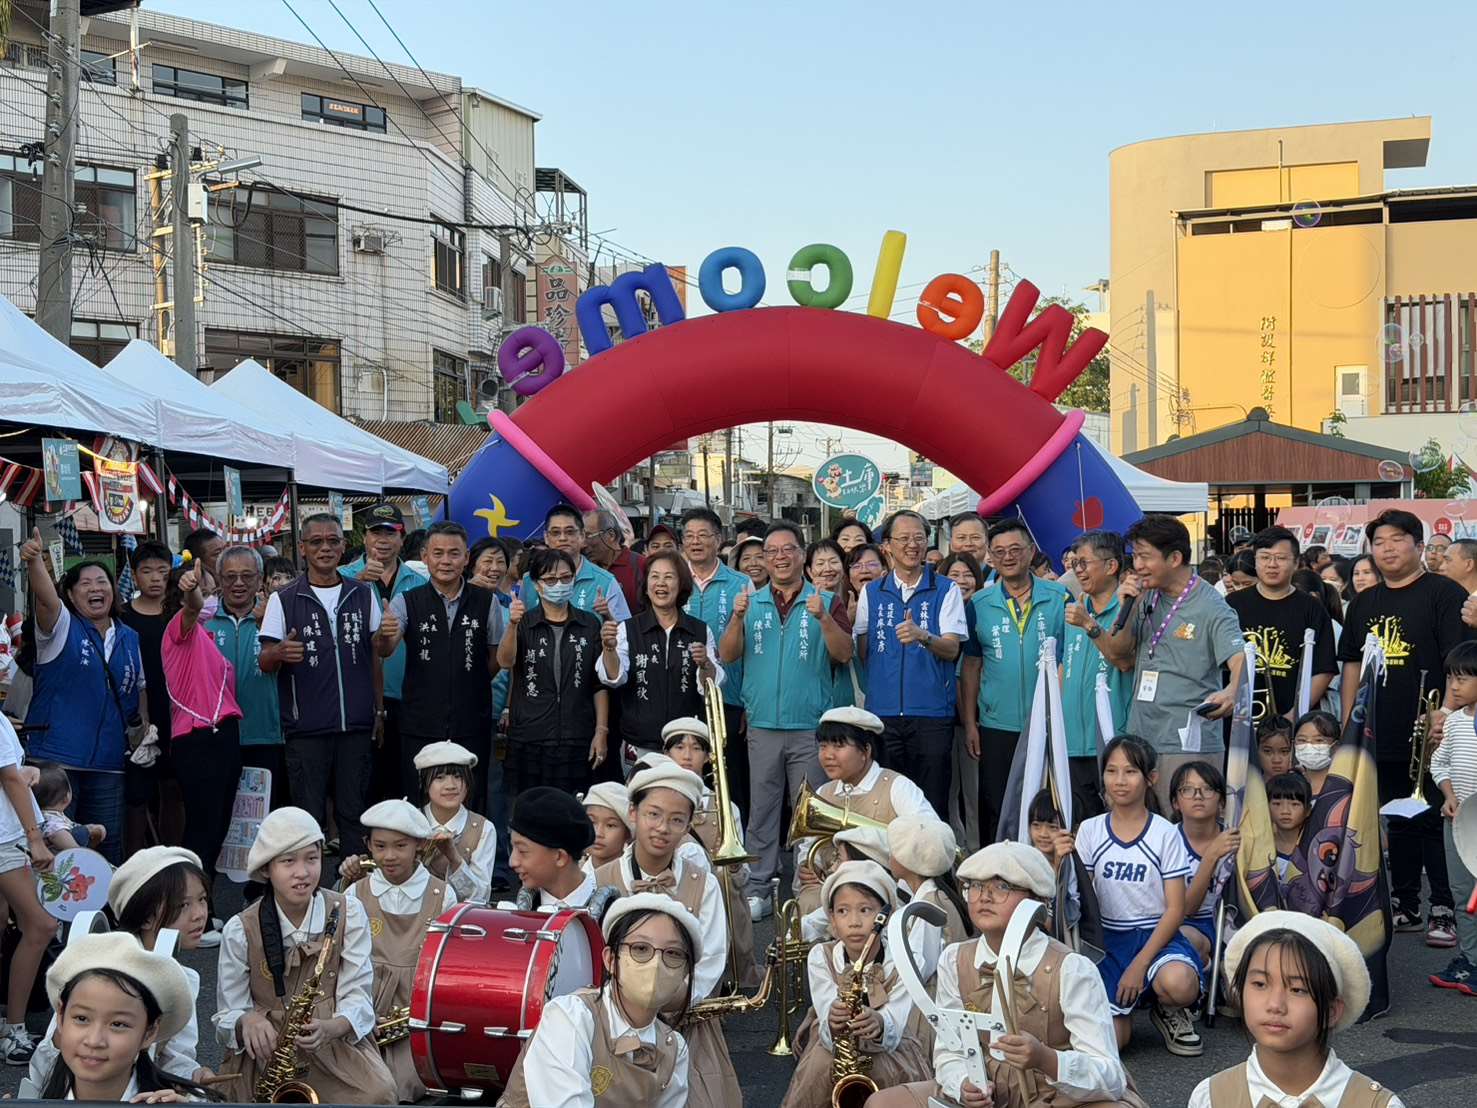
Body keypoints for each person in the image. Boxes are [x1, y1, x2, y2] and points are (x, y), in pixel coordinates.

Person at [873, 841, 1145, 1108]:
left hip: (1056, 1095)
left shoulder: (1070, 967)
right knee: (882, 1102)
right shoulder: (956, 959)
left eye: (1002, 886)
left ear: (1038, 900)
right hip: (990, 1089)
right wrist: (964, 1084)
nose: (985, 896)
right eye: (976, 885)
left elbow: (1110, 1076)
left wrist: (1046, 1058)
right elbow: (950, 1048)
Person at [1338, 508, 1468, 946]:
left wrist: (1444, 713)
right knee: (1397, 818)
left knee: (1433, 818)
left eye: (1397, 539)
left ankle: (1444, 907)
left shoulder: (1443, 593)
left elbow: (1457, 659)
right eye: (1379, 542)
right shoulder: (1364, 601)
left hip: (1430, 731)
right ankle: (1407, 903)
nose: (1387, 549)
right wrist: (1347, 720)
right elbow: (1351, 662)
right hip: (1377, 728)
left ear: (1418, 543)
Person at [213, 806, 395, 1104]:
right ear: (266, 870)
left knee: (380, 1095)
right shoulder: (240, 928)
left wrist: (333, 1027)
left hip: (332, 1043)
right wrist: (245, 1020)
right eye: (288, 861)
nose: (303, 872)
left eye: (312, 858)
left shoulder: (349, 912)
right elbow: (226, 1013)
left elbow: (359, 993)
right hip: (266, 1054)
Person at [719, 521, 854, 921]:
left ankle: (807, 888)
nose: (779, 557)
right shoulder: (750, 601)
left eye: (788, 550)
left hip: (809, 725)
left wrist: (824, 619)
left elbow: (845, 654)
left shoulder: (826, 600)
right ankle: (758, 885)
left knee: (808, 810)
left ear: (802, 556)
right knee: (762, 807)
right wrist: (736, 618)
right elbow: (728, 655)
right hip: (762, 722)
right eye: (771, 552)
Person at [593, 760, 739, 1108]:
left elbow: (711, 961)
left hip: (683, 1021)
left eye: (677, 820)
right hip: (608, 1022)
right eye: (653, 815)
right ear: (633, 812)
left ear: (689, 825)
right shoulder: (598, 878)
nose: (663, 828)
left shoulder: (701, 884)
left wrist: (670, 999)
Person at [25, 845, 214, 1096]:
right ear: (146, 916)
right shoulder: (97, 972)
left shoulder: (180, 978)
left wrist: (192, 1077)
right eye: (182, 906)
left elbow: (175, 1055)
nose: (200, 915)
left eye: (202, 900)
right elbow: (53, 1054)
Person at [259, 514, 393, 861]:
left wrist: (378, 710)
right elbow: (264, 661)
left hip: (356, 727)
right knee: (307, 817)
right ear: (302, 549)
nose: (325, 547)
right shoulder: (285, 599)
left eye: (332, 540)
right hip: (306, 730)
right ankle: (308, 895)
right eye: (316, 541)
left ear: (344, 546)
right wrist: (278, 652)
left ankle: (352, 896)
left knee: (354, 814)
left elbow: (378, 653)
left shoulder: (363, 594)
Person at [1092, 514, 1246, 813]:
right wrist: (1128, 604)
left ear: (1174, 558)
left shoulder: (1211, 606)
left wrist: (1231, 691)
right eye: (1135, 556)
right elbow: (1120, 654)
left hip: (1186, 742)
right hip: (1140, 737)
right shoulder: (1145, 595)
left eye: (1145, 557)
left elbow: (1239, 659)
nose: (1137, 566)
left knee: (1184, 829)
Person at [495, 893, 699, 1108]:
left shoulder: (675, 1048)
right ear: (610, 959)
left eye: (673, 953)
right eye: (640, 948)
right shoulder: (570, 1017)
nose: (656, 964)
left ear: (686, 971)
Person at [1189, 911, 1405, 1108]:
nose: (1275, 1004)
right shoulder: (1211, 1098)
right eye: (1260, 984)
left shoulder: (1375, 1104)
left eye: (1298, 989)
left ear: (1331, 1010)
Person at [1072, 735, 1203, 1056]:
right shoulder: (1090, 830)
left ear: (1150, 779)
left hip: (1154, 937)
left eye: (1130, 772)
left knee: (1180, 984)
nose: (1119, 781)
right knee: (1113, 1043)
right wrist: (1061, 862)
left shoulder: (1165, 833)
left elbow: (1176, 909)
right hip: (1106, 941)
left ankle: (1168, 1008)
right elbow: (1080, 900)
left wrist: (1139, 965)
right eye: (1111, 771)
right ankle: (1124, 1008)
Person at [20, 528, 144, 862]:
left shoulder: (130, 637)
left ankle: (104, 915)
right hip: (56, 762)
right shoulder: (60, 628)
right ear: (71, 596)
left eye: (102, 581)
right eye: (85, 583)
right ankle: (54, 917)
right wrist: (35, 562)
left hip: (109, 764)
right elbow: (46, 598)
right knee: (57, 849)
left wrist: (144, 735)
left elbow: (138, 695)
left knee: (106, 846)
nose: (95, 588)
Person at [778, 860, 931, 1108]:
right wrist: (832, 1017)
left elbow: (899, 1015)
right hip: (831, 1056)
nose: (854, 922)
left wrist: (881, 1022)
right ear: (831, 917)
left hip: (889, 1057)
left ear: (886, 915)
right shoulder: (821, 956)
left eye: (865, 910)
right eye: (843, 911)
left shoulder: (906, 959)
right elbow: (825, 1005)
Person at [380, 521, 503, 803]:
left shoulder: (487, 602)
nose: (445, 561)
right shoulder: (407, 601)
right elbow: (386, 649)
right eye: (438, 553)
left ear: (467, 558)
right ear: (425, 556)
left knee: (470, 798)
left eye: (453, 553)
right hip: (420, 722)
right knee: (420, 798)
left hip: (471, 721)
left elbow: (496, 657)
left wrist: (471, 680)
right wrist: (383, 635)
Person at [854, 510, 966, 816]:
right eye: (903, 538)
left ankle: (935, 864)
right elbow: (863, 650)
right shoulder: (872, 591)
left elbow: (952, 649)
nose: (912, 544)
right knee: (886, 805)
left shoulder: (946, 589)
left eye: (919, 537)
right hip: (883, 714)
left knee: (932, 804)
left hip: (931, 714)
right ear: (887, 546)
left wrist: (922, 636)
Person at [962, 519, 1068, 840]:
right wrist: (970, 723)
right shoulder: (979, 604)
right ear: (990, 558)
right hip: (997, 724)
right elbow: (971, 667)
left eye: (1015, 549)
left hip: (1049, 723)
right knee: (995, 806)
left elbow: (1070, 659)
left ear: (1031, 551)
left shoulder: (1060, 598)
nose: (1008, 557)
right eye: (999, 552)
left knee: (1048, 806)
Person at [343, 799, 455, 1102]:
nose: (389, 856)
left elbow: (446, 965)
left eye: (400, 846)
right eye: (379, 846)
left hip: (415, 1012)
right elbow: (345, 962)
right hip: (364, 1004)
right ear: (367, 845)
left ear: (419, 844)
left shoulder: (441, 893)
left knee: (407, 1081)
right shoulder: (355, 892)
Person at [36, 932, 214, 1102]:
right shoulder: (38, 1098)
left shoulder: (186, 1103)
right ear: (60, 1016)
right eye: (82, 1019)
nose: (94, 1040)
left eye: (118, 1024)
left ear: (149, 1032)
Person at [793, 706, 935, 916]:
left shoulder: (897, 786)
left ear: (866, 751)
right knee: (807, 902)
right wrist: (808, 867)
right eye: (823, 746)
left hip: (885, 887)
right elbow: (808, 848)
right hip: (832, 886)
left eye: (839, 746)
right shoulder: (823, 792)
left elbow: (929, 836)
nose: (828, 755)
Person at [160, 558, 244, 893]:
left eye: (211, 590)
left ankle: (202, 903)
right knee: (202, 826)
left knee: (220, 823)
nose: (209, 597)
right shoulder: (178, 631)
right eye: (202, 590)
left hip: (223, 735)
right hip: (196, 739)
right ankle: (193, 907)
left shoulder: (209, 638)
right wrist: (192, 594)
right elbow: (193, 609)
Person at [499, 548, 609, 796]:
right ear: (537, 585)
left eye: (566, 577)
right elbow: (506, 661)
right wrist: (512, 625)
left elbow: (598, 684)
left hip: (577, 735)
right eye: (550, 580)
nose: (559, 584)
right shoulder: (525, 622)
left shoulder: (589, 623)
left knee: (573, 808)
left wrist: (601, 732)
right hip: (530, 736)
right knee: (530, 811)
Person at [662, 717, 761, 988]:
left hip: (715, 891)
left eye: (696, 748)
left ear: (708, 757)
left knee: (726, 884)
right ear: (666, 754)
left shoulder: (725, 807)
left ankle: (728, 973)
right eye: (679, 747)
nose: (687, 755)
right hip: (669, 886)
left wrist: (734, 869)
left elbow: (743, 878)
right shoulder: (654, 803)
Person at [598, 552, 723, 762]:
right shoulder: (628, 629)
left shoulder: (699, 631)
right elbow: (614, 677)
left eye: (669, 577)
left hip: (684, 746)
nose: (661, 583)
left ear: (681, 584)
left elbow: (711, 685)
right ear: (646, 585)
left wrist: (705, 664)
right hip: (639, 742)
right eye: (654, 577)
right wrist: (609, 649)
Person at [343, 503, 427, 804]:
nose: (383, 539)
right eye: (376, 532)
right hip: (358, 693)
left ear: (401, 539)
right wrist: (358, 583)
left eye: (390, 532)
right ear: (364, 538)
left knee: (405, 776)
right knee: (363, 778)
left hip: (408, 694)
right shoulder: (342, 577)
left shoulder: (421, 582)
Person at [681, 506, 753, 823]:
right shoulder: (673, 579)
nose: (696, 542)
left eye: (703, 536)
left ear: (718, 539)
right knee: (684, 774)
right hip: (680, 694)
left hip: (729, 698)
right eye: (689, 536)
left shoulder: (741, 584)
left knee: (729, 778)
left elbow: (754, 650)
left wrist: (749, 703)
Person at [207, 546, 285, 826]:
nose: (238, 583)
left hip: (266, 735)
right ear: (218, 579)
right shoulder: (205, 621)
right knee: (220, 816)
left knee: (264, 818)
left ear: (260, 578)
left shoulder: (277, 618)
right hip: (216, 736)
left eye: (246, 576)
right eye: (230, 577)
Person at [1228, 526, 1337, 720]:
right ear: (1255, 561)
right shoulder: (1232, 605)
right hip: (1237, 719)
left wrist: (1294, 715)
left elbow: (1324, 669)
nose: (1272, 564)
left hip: (1293, 720)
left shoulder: (1312, 608)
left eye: (1280, 558)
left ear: (1296, 563)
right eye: (1264, 557)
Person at [1062, 530, 1132, 821]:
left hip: (1112, 741)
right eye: (1074, 563)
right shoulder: (1074, 611)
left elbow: (1123, 661)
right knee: (1080, 826)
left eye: (1083, 563)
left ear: (1111, 566)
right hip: (1072, 742)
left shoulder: (1129, 610)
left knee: (1116, 820)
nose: (1077, 570)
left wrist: (1089, 624)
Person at [0, 711, 57, 1064]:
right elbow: (8, 777)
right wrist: (35, 838)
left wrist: (23, 773)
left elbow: (11, 775)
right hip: (7, 837)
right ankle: (14, 1029)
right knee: (41, 924)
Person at [118, 540, 180, 857]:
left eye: (162, 571)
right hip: (137, 713)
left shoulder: (180, 613)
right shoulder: (122, 616)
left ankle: (171, 857)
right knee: (136, 795)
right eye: (147, 571)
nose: (155, 578)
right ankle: (133, 861)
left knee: (173, 788)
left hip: (176, 712)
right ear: (134, 574)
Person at [1430, 639, 1477, 992]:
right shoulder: (1455, 722)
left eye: (1463, 678)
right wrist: (1448, 796)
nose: (1454, 687)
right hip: (1456, 820)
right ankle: (1470, 960)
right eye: (1451, 679)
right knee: (1462, 895)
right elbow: (1439, 762)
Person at [938, 552, 986, 850]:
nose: (961, 581)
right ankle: (956, 852)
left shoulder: (983, 612)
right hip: (944, 718)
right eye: (953, 575)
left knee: (974, 792)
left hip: (977, 719)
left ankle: (977, 850)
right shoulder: (936, 613)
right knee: (947, 792)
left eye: (967, 575)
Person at [887, 814, 972, 979]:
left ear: (909, 861)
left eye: (894, 851)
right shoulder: (935, 896)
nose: (890, 856)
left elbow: (917, 968)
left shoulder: (930, 904)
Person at [1170, 761, 1238, 965]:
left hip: (1220, 921)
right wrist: (1211, 856)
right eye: (1187, 789)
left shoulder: (1234, 838)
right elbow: (1187, 908)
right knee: (1182, 935)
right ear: (1175, 802)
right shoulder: (1165, 839)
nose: (1198, 796)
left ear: (1221, 802)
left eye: (1207, 789)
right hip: (1177, 919)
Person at [414, 741, 496, 904]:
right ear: (424, 784)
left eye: (458, 777)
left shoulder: (483, 829)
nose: (451, 785)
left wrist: (454, 858)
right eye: (440, 778)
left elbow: (480, 897)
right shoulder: (410, 822)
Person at [519, 503, 632, 622]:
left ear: (582, 535)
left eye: (570, 532)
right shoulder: (530, 580)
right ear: (546, 537)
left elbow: (624, 633)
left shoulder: (605, 582)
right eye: (556, 532)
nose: (562, 538)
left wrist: (608, 617)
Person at [504, 785, 610, 910]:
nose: (512, 862)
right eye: (512, 848)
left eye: (522, 851)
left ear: (560, 857)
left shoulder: (610, 915)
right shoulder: (521, 912)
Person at [585, 508, 645, 614]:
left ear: (611, 535)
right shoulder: (585, 568)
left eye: (588, 536)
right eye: (581, 536)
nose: (584, 543)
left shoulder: (640, 565)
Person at [1267, 773, 1312, 885]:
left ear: (1308, 810)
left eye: (1294, 804)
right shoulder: (1260, 848)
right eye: (1277, 804)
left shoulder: (1315, 849)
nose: (1285, 811)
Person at [583, 780, 632, 871]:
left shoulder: (634, 877)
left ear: (628, 833)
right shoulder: (571, 873)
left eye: (610, 825)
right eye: (592, 822)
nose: (598, 833)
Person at [468, 536, 515, 603]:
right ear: (472, 566)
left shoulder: (510, 604)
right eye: (488, 561)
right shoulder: (457, 597)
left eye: (500, 561)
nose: (495, 568)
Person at [947, 512, 990, 576]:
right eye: (961, 537)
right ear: (951, 542)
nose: (969, 543)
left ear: (987, 541)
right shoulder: (940, 579)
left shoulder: (1000, 577)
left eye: (975, 537)